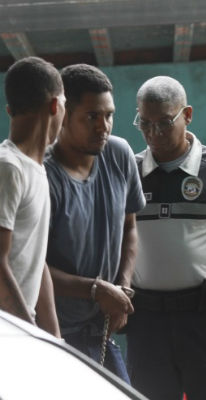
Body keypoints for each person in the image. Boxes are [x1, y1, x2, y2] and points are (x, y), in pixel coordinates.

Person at [126, 76, 206, 400]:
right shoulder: (130, 173)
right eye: (145, 123)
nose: (154, 133)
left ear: (187, 115)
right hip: (146, 322)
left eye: (164, 122)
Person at [44, 64, 145, 382]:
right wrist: (96, 289)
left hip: (98, 331)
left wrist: (123, 285)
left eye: (109, 115)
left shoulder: (119, 154)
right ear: (62, 115)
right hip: (51, 334)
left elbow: (130, 226)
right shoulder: (42, 176)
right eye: (91, 116)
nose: (104, 126)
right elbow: (27, 266)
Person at [0, 57, 64, 337]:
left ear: (9, 110)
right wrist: (32, 337)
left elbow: (38, 265)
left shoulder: (36, 170)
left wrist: (55, 340)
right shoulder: (8, 167)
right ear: (54, 105)